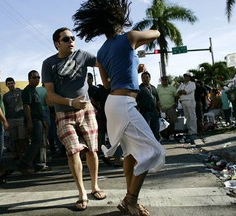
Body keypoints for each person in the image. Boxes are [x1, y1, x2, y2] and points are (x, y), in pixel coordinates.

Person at [73, 1, 166, 215]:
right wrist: (138, 37)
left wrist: (134, 65)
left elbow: (106, 84)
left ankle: (129, 201)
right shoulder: (130, 37)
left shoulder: (102, 51)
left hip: (112, 103)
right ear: (119, 20)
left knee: (131, 154)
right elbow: (157, 33)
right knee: (153, 151)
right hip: (123, 104)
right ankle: (130, 200)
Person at [41, 27, 106, 211]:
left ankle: (94, 187)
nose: (71, 41)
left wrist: (132, 64)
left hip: (86, 111)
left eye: (72, 38)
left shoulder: (83, 55)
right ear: (57, 44)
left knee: (92, 150)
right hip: (64, 113)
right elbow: (50, 96)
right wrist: (71, 102)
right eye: (66, 39)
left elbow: (104, 62)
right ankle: (82, 192)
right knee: (73, 151)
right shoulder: (49, 64)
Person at [16, 70, 45, 175]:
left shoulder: (34, 91)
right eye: (34, 77)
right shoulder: (27, 90)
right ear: (29, 79)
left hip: (38, 119)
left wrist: (43, 121)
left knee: (39, 143)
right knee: (35, 143)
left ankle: (38, 165)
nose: (37, 79)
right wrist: (29, 122)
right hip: (33, 119)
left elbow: (38, 107)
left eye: (38, 77)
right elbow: (26, 106)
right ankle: (23, 164)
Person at [3, 77, 29, 160]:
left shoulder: (20, 92)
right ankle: (19, 155)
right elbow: (5, 108)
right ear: (6, 85)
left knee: (23, 138)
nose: (10, 85)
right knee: (15, 139)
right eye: (8, 83)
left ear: (14, 83)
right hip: (11, 119)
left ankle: (26, 155)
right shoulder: (5, 96)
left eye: (11, 83)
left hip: (21, 118)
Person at [136, 71, 160, 141]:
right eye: (143, 78)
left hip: (154, 112)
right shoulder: (139, 89)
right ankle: (148, 148)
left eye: (147, 77)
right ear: (141, 79)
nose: (145, 79)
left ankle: (157, 146)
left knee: (156, 130)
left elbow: (157, 100)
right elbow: (136, 101)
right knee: (146, 131)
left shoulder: (153, 88)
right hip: (145, 113)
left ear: (150, 78)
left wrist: (159, 111)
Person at [35, 84, 52, 172]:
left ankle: (38, 161)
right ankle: (42, 162)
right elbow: (48, 103)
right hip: (44, 112)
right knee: (44, 139)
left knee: (38, 139)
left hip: (34, 114)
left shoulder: (36, 89)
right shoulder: (47, 91)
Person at [177, 72, 197, 142]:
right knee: (187, 116)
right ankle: (189, 130)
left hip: (190, 101)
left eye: (187, 76)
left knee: (192, 116)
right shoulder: (182, 84)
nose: (186, 77)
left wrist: (182, 92)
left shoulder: (192, 84)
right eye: (185, 76)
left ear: (189, 77)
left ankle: (194, 130)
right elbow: (178, 92)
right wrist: (181, 91)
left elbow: (187, 91)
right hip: (183, 101)